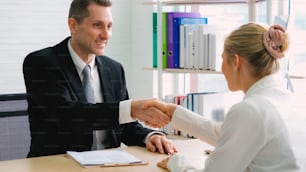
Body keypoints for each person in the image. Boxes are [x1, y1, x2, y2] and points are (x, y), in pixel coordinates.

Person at [22, 0, 176, 158]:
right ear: (73, 25)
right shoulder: (41, 63)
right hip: (58, 165)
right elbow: (67, 116)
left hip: (109, 164)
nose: (106, 35)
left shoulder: (114, 69)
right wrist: (130, 109)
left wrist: (151, 136)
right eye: (97, 25)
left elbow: (125, 126)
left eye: (109, 26)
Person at [144, 23, 300, 171]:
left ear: (236, 61)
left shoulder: (250, 110)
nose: (221, 68)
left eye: (223, 58)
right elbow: (228, 135)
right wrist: (173, 112)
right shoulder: (287, 100)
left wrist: (177, 162)